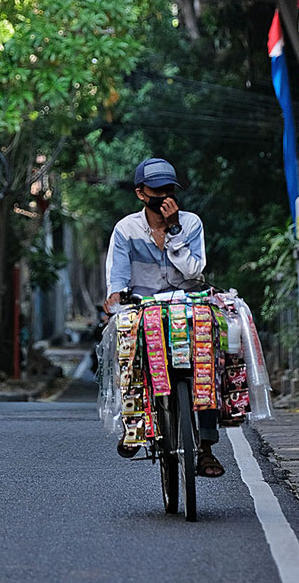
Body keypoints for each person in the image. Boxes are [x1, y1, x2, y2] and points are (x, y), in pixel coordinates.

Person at [104, 156, 224, 478]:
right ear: (141, 193)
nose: (164, 198)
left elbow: (195, 270)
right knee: (128, 357)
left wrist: (174, 232)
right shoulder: (126, 230)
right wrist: (115, 298)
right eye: (156, 191)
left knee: (206, 362)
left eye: (168, 190)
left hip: (187, 307)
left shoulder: (191, 224)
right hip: (144, 309)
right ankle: (133, 427)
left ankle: (207, 448)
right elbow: (117, 280)